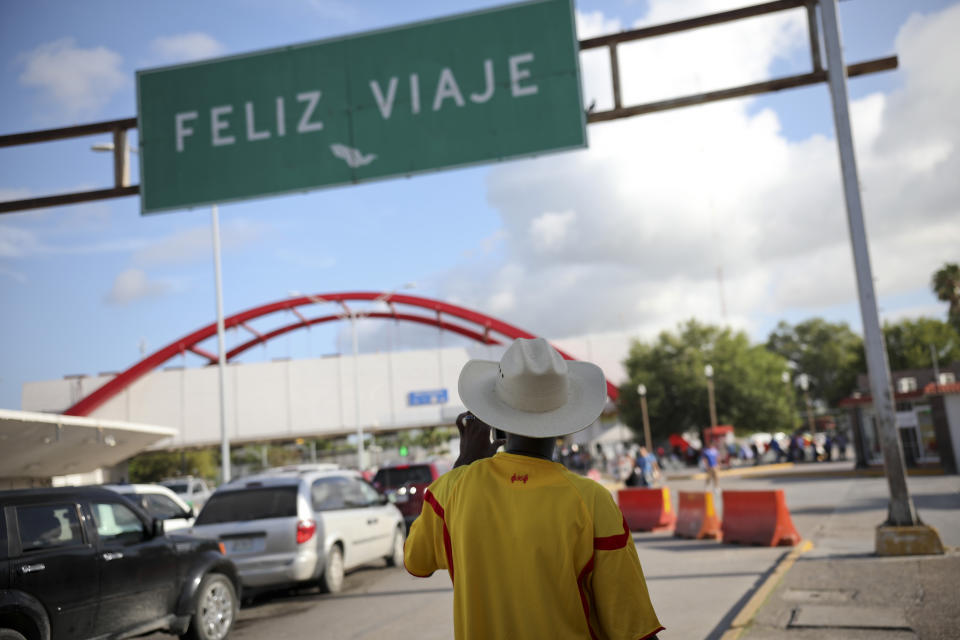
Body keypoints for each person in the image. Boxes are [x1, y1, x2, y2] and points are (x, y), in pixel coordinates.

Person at [404, 337, 663, 640]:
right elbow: (632, 629)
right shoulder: (590, 501)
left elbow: (416, 561)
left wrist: (465, 460)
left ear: (494, 417)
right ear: (565, 414)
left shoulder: (452, 490)